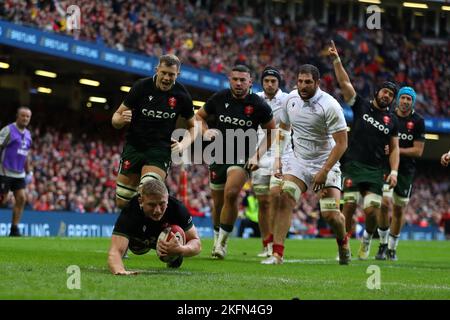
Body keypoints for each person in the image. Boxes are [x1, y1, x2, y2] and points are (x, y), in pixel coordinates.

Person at [261, 64, 350, 265]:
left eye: (308, 82)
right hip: (299, 161)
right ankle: (277, 254)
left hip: (326, 162)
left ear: (317, 83)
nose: (303, 86)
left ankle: (343, 242)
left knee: (330, 215)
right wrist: (277, 159)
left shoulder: (330, 105)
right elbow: (283, 130)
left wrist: (324, 171)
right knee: (285, 198)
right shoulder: (290, 100)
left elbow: (343, 143)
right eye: (300, 81)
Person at [329, 40, 400, 260]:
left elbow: (395, 148)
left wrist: (394, 171)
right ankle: (345, 247)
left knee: (371, 211)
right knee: (348, 207)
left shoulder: (392, 120)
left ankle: (367, 239)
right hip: (352, 165)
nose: (386, 96)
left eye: (390, 95)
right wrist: (336, 61)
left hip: (375, 170)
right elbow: (345, 84)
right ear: (377, 92)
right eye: (384, 92)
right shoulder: (361, 106)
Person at [195, 64, 276, 259]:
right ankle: (217, 239)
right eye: (235, 79)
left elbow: (272, 131)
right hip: (218, 154)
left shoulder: (258, 105)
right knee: (217, 202)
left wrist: (257, 155)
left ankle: (221, 244)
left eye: (243, 80)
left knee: (231, 194)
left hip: (242, 157)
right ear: (229, 80)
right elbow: (198, 116)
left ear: (250, 82)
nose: (238, 83)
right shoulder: (219, 98)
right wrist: (206, 131)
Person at [112, 54, 197, 209]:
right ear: (157, 70)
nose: (166, 77)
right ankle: (131, 229)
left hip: (160, 150)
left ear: (177, 74)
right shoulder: (141, 87)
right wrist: (121, 120)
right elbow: (115, 118)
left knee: (148, 188)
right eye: (163, 72)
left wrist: (183, 144)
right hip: (134, 147)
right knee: (122, 202)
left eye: (171, 74)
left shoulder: (182, 95)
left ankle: (148, 230)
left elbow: (193, 126)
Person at [108, 179, 201, 274]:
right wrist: (119, 270)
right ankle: (128, 244)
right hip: (139, 240)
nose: (157, 210)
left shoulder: (177, 208)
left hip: (166, 239)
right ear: (141, 201)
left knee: (176, 239)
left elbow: (196, 243)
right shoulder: (131, 210)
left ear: (167, 199)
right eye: (151, 205)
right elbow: (115, 251)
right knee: (134, 248)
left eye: (162, 204)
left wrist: (181, 249)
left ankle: (174, 255)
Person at [374, 87, 425, 260]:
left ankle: (392, 248)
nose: (405, 101)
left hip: (405, 172)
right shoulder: (388, 117)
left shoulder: (418, 121)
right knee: (384, 203)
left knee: (398, 210)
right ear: (397, 99)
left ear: (413, 102)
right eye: (402, 98)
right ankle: (382, 244)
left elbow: (418, 151)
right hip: (386, 168)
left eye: (408, 99)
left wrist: (396, 150)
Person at [252, 66, 290, 257]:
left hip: (281, 154)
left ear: (278, 83)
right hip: (258, 153)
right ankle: (266, 243)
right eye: (266, 81)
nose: (269, 84)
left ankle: (276, 242)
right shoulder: (255, 99)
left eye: (273, 81)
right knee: (263, 202)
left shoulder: (287, 100)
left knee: (276, 197)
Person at [0, 107, 33, 237]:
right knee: (2, 200)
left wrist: (29, 171)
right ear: (17, 116)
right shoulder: (8, 130)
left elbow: (26, 154)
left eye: (27, 117)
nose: (25, 118)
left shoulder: (29, 134)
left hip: (19, 173)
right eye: (23, 116)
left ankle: (14, 229)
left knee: (21, 198)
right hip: (4, 171)